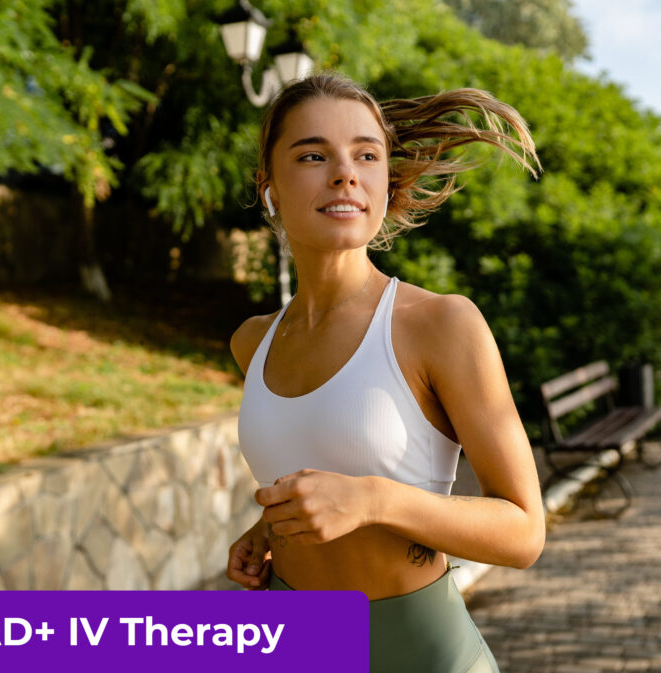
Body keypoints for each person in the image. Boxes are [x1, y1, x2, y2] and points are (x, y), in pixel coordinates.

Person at [225, 71, 545, 673]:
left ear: (383, 179)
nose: (344, 172)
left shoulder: (440, 325)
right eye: (313, 154)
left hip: (419, 653)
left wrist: (372, 499)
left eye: (366, 155)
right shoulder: (253, 342)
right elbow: (322, 460)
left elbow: (524, 532)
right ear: (270, 186)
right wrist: (270, 528)